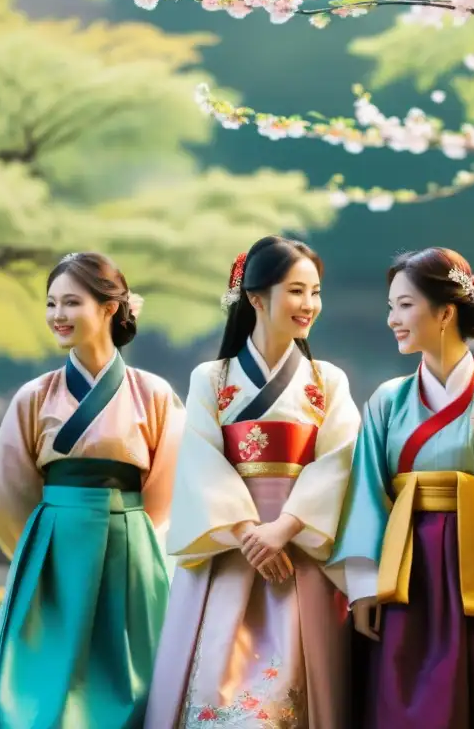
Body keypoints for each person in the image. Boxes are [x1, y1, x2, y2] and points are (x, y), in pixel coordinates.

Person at [328, 247, 474, 729]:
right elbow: (367, 492)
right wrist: (365, 588)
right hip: (405, 569)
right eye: (391, 306)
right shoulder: (387, 401)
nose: (392, 318)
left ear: (445, 311)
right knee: (398, 694)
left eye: (404, 305)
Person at [145, 236, 361, 729]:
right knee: (213, 688)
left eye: (315, 292)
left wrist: (282, 529)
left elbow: (342, 460)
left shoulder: (327, 380)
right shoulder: (212, 378)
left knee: (294, 693)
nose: (309, 305)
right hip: (228, 551)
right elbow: (199, 459)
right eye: (296, 291)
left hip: (298, 550)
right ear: (256, 298)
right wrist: (247, 532)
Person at [0, 252, 185, 729]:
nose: (57, 316)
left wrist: (130, 530)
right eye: (51, 304)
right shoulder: (35, 395)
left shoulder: (152, 392)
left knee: (132, 680)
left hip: (127, 545)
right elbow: (8, 490)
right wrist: (35, 548)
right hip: (53, 550)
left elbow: (165, 486)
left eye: (71, 302)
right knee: (38, 687)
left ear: (110, 307)